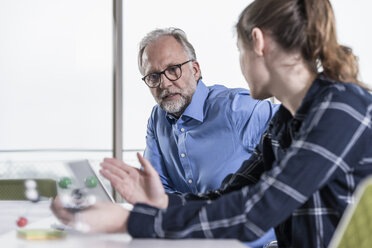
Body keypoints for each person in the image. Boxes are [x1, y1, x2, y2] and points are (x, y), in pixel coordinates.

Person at [51, 0, 372, 247]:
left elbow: (257, 211)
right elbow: (227, 196)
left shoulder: (341, 107)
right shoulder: (284, 123)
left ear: (257, 42)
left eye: (239, 50)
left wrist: (128, 220)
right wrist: (162, 203)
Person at [135, 28, 277, 195]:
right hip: (190, 220)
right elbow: (155, 191)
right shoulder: (157, 119)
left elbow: (298, 124)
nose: (164, 84)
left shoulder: (237, 108)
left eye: (173, 69)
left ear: (195, 70)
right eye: (153, 76)